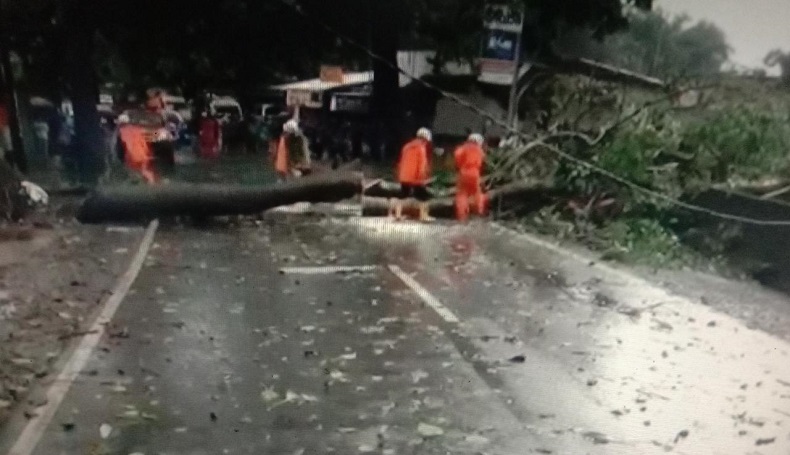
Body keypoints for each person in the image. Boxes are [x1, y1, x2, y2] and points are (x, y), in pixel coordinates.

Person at [391, 127, 433, 221]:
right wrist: (423, 178)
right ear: (424, 139)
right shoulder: (421, 148)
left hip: (404, 176)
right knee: (424, 197)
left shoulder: (406, 146)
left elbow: (401, 161)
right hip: (416, 178)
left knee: (402, 195)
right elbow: (422, 165)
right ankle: (423, 216)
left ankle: (398, 215)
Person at [454, 133, 487, 222]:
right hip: (475, 173)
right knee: (477, 193)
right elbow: (482, 162)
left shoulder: (462, 149)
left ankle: (462, 216)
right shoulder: (480, 151)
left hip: (464, 172)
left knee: (462, 194)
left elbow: (457, 159)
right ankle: (479, 211)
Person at [117, 114, 157, 184]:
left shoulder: (120, 132)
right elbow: (152, 137)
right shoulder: (138, 129)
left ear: (120, 123)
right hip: (144, 155)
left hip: (131, 156)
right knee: (144, 171)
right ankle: (151, 183)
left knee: (132, 173)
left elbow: (120, 147)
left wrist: (121, 158)